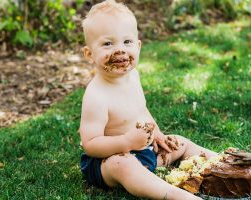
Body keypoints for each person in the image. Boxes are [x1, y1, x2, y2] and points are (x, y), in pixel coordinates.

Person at [79, 0, 217, 199]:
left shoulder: (133, 76)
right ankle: (177, 196)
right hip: (108, 162)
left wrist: (158, 134)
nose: (120, 50)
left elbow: (141, 111)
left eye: (127, 42)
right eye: (108, 43)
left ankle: (224, 163)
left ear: (138, 45)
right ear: (89, 54)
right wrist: (126, 142)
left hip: (143, 152)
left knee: (180, 143)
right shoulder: (96, 95)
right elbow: (90, 144)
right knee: (123, 165)